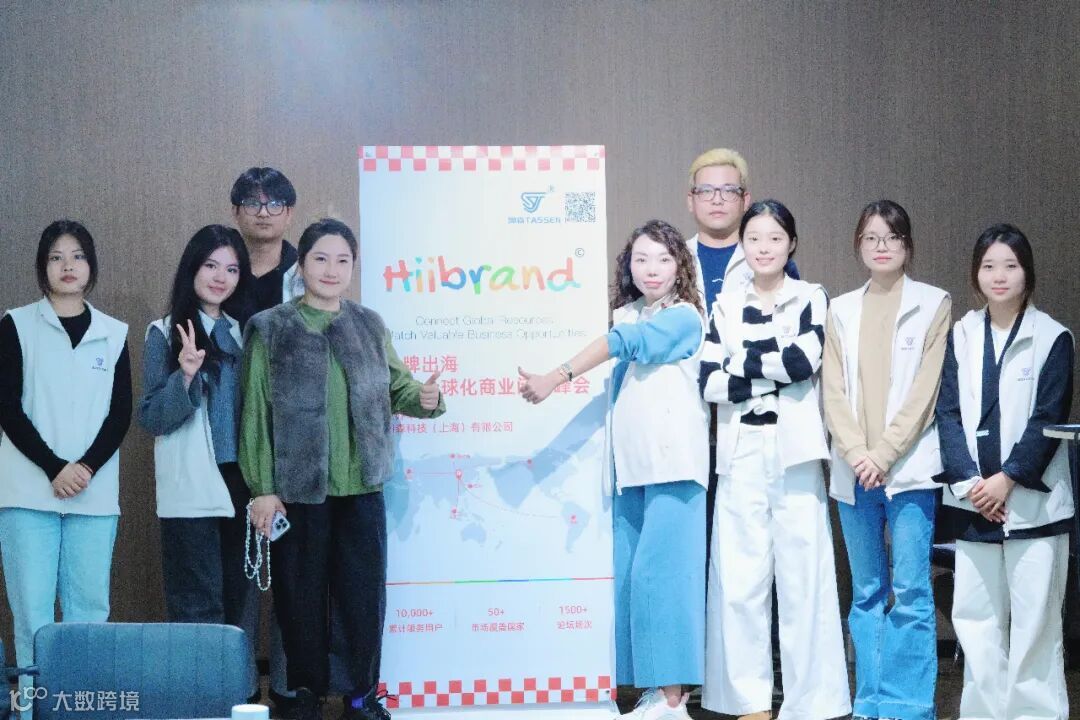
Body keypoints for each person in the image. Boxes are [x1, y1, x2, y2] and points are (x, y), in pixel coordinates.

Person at [240, 218, 446, 720]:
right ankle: (305, 696)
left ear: (353, 267)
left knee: (362, 601)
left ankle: (360, 697)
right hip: (297, 493)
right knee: (300, 601)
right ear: (302, 264)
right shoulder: (271, 327)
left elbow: (398, 387)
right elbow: (255, 413)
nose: (331, 270)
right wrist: (262, 488)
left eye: (342, 260)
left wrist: (424, 398)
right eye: (320, 258)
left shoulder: (369, 325)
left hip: (361, 491)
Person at [520, 219, 708, 720]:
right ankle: (651, 691)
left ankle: (673, 697)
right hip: (630, 471)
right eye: (641, 259)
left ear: (680, 267)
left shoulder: (685, 317)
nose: (652, 269)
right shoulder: (629, 312)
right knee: (632, 579)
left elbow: (626, 342)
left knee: (661, 579)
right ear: (628, 265)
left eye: (663, 259)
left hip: (673, 466)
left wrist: (556, 376)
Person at [699, 200, 849, 720]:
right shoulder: (724, 304)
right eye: (754, 238)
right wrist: (767, 372)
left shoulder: (811, 297)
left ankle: (813, 701)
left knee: (805, 576)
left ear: (792, 244)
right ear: (743, 245)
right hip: (739, 452)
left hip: (796, 452)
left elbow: (803, 361)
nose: (764, 248)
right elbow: (709, 381)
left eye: (775, 238)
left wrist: (740, 365)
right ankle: (748, 700)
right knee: (739, 580)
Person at [936, 223, 1073, 720]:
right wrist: (973, 484)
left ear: (1027, 273)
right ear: (976, 274)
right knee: (975, 620)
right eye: (989, 266)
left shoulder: (1053, 337)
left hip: (1033, 503)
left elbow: (1048, 419)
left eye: (1010, 266)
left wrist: (1008, 478)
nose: (999, 276)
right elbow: (947, 414)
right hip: (972, 500)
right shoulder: (960, 335)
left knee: (1035, 623)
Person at [821, 200, 950, 720]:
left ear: (907, 245)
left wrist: (884, 454)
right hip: (855, 472)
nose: (881, 246)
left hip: (909, 468)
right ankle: (870, 701)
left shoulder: (933, 303)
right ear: (859, 245)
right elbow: (832, 392)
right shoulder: (840, 309)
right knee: (867, 591)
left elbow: (925, 392)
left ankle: (909, 704)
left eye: (892, 237)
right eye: (871, 237)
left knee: (911, 589)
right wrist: (858, 454)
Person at [0, 220, 132, 713]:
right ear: (43, 267)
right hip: (27, 493)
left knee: (88, 614)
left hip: (93, 497)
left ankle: (82, 710)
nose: (68, 266)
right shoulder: (15, 324)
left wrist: (85, 469)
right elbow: (7, 407)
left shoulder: (113, 333)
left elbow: (120, 414)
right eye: (56, 257)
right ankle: (31, 712)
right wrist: (55, 467)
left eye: (77, 256)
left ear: (91, 265)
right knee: (32, 615)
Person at [684, 148, 799, 580]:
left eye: (728, 190)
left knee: (754, 554)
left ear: (745, 198)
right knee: (697, 550)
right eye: (706, 190)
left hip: (753, 427)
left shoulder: (771, 260)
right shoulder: (670, 259)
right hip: (687, 427)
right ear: (690, 200)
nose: (717, 199)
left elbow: (788, 356)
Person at [138, 225, 254, 629]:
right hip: (191, 481)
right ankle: (198, 675)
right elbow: (152, 417)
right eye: (210, 265)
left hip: (242, 482)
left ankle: (234, 672)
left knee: (237, 601)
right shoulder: (164, 332)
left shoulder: (246, 332)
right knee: (195, 604)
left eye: (232, 269)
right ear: (192, 268)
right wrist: (185, 376)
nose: (221, 277)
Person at [230, 165, 301, 709]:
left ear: (289, 212)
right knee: (240, 574)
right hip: (230, 443)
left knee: (294, 575)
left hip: (297, 443)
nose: (263, 211)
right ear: (236, 212)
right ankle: (234, 688)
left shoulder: (307, 269)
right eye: (252, 202)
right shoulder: (219, 266)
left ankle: (287, 686)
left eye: (274, 202)